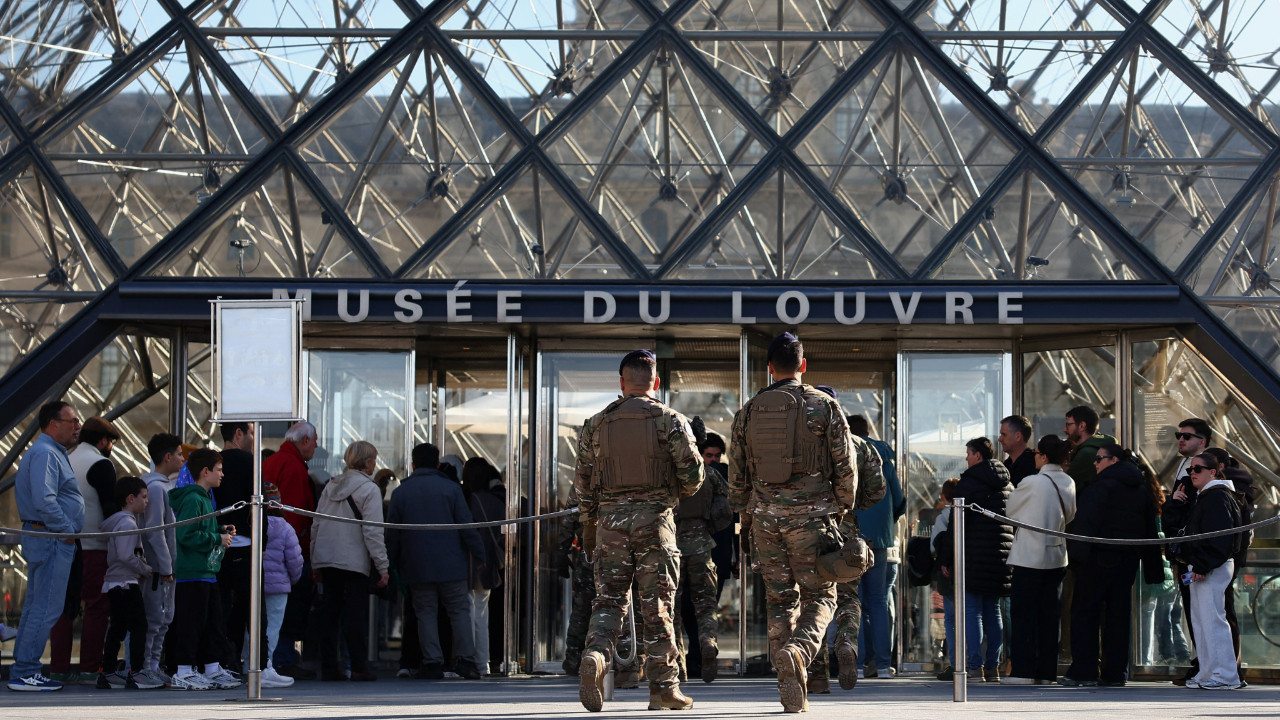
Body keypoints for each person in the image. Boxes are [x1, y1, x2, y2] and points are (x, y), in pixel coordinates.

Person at [728, 333, 857, 712]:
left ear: (770, 368)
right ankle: (800, 653)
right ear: (803, 365)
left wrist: (746, 513)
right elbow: (846, 467)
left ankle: (790, 677)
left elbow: (737, 476)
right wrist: (841, 508)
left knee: (779, 600)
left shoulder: (748, 411)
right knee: (822, 595)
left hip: (765, 520)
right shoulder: (824, 405)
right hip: (812, 519)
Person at [576, 349, 704, 713]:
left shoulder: (596, 423)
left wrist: (590, 523)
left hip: (610, 526)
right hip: (654, 523)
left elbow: (583, 485)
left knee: (609, 600)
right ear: (656, 382)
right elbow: (695, 477)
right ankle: (663, 688)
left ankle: (597, 656)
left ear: (621, 382)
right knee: (657, 606)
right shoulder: (670, 420)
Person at [1061, 445, 1162, 687]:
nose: (1095, 463)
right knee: (1118, 616)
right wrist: (1152, 566)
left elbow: (1086, 523)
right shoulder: (1140, 488)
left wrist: (1076, 559)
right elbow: (1149, 530)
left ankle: (1084, 671)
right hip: (1127, 561)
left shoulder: (1101, 486)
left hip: (1096, 559)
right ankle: (1115, 672)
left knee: (1085, 613)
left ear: (1113, 460)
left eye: (1099, 459)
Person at [387, 443, 486, 681]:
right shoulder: (452, 489)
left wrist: (391, 563)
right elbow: (467, 526)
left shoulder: (401, 493)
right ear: (438, 464)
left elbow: (392, 534)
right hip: (452, 564)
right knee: (459, 611)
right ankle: (466, 661)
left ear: (412, 465)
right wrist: (480, 555)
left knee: (425, 612)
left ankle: (432, 662)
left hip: (417, 565)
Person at [9, 401, 84, 692]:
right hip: (52, 538)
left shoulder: (49, 452)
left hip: (48, 537)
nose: (78, 426)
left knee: (36, 607)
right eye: (72, 421)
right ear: (54, 424)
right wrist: (66, 529)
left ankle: (23, 668)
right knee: (45, 609)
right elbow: (45, 500)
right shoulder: (46, 453)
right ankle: (26, 671)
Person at [311, 440, 389, 682]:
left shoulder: (330, 485)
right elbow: (373, 532)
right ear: (367, 462)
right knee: (355, 615)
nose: (375, 465)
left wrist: (315, 560)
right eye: (373, 460)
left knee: (330, 614)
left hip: (327, 558)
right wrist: (382, 566)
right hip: (353, 561)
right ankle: (358, 666)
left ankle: (329, 666)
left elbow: (316, 524)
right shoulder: (369, 489)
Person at [50, 416, 120, 684]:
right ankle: (90, 668)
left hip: (64, 543)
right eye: (110, 442)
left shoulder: (65, 458)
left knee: (63, 609)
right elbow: (110, 509)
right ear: (103, 441)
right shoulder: (101, 464)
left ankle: (58, 668)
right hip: (94, 547)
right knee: (96, 607)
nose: (111, 447)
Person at [1003, 435, 1075, 685]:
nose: (1033, 456)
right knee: (1049, 617)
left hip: (1029, 557)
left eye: (1035, 453)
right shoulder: (1068, 481)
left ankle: (1023, 671)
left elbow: (1010, 511)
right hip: (1057, 556)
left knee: (1024, 616)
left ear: (1043, 456)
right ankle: (1046, 672)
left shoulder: (1032, 482)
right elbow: (1072, 515)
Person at [169, 449, 240, 691]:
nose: (222, 475)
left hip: (206, 573)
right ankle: (184, 670)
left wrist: (220, 528)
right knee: (191, 624)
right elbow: (186, 534)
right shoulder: (193, 499)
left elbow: (200, 527)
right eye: (218, 470)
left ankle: (211, 667)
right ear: (205, 471)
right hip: (193, 573)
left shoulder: (204, 497)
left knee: (212, 623)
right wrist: (216, 538)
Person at [949, 437, 1013, 683]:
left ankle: (974, 666)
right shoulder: (1007, 483)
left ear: (977, 455)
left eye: (968, 453)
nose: (966, 458)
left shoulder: (970, 482)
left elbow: (958, 523)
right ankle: (992, 667)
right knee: (993, 610)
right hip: (1000, 556)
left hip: (973, 554)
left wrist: (948, 557)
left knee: (973, 611)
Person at [673, 417, 730, 685]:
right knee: (706, 606)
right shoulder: (710, 473)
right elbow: (728, 507)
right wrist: (707, 526)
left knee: (671, 608)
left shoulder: (669, 471)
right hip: (702, 545)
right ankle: (708, 642)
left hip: (671, 546)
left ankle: (678, 664)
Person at [1180, 452, 1244, 690]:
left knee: (1212, 620)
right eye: (1190, 469)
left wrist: (1201, 565)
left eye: (1198, 469)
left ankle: (1225, 674)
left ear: (1213, 471)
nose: (1192, 473)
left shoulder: (1217, 496)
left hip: (1211, 566)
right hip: (1205, 565)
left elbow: (1220, 538)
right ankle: (1209, 672)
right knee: (1201, 621)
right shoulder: (1209, 496)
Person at [263, 421, 318, 680]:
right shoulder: (294, 467)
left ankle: (271, 658)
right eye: (315, 440)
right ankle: (282, 659)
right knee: (286, 609)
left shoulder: (273, 461)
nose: (317, 445)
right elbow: (295, 517)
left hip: (266, 546)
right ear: (304, 440)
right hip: (284, 551)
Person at [96, 476, 163, 690]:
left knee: (117, 627)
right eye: (144, 497)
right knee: (138, 626)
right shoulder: (127, 522)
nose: (147, 501)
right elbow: (126, 555)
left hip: (116, 583)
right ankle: (137, 671)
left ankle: (107, 672)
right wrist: (145, 568)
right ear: (130, 498)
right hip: (125, 583)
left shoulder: (119, 521)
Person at [1162, 418, 1213, 686]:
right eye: (1178, 435)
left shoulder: (1205, 471)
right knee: (1193, 612)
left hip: (1200, 556)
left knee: (1211, 614)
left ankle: (1214, 665)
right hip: (1185, 554)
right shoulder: (1184, 467)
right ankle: (1201, 663)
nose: (1180, 440)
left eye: (1187, 436)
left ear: (1202, 442)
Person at [848, 414, 897, 685]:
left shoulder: (843, 451)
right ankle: (883, 666)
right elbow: (898, 499)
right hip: (879, 538)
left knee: (853, 600)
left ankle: (855, 663)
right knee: (878, 601)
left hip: (850, 536)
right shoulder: (885, 458)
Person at [213, 422, 258, 673]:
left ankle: (221, 661)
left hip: (216, 544)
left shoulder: (209, 462)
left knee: (220, 606)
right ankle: (251, 664)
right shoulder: (248, 462)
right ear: (238, 434)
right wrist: (260, 542)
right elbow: (258, 505)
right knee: (247, 607)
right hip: (242, 542)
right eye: (251, 433)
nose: (254, 438)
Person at [139, 433, 182, 688]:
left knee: (164, 619)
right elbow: (155, 531)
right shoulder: (155, 488)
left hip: (165, 568)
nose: (181, 458)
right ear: (167, 457)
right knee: (155, 619)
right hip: (158, 569)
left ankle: (153, 666)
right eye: (178, 453)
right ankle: (147, 667)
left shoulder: (162, 485)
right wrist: (165, 567)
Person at [462, 457, 505, 676]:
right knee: (481, 614)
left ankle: (469, 660)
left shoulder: (465, 500)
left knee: (467, 612)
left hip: (466, 563)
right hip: (487, 565)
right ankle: (483, 663)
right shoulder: (496, 503)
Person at [260, 482, 302, 688]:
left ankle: (249, 664)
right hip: (278, 588)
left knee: (252, 629)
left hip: (255, 585)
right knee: (272, 628)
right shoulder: (285, 528)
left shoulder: (253, 524)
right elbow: (295, 561)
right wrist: (291, 580)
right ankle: (265, 665)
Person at [931, 478, 961, 681]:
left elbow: (934, 546)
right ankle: (979, 662)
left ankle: (956, 663)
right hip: (970, 571)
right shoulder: (970, 514)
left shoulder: (943, 517)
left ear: (943, 497)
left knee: (951, 618)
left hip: (948, 573)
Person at [1063, 406, 1115, 487]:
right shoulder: (1103, 446)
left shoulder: (1086, 454)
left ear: (1082, 426)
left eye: (1068, 425)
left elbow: (1065, 487)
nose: (1065, 430)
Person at [998, 416, 1036, 488]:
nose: (1000, 439)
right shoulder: (1005, 466)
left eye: (1004, 435)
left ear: (1018, 436)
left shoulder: (1032, 466)